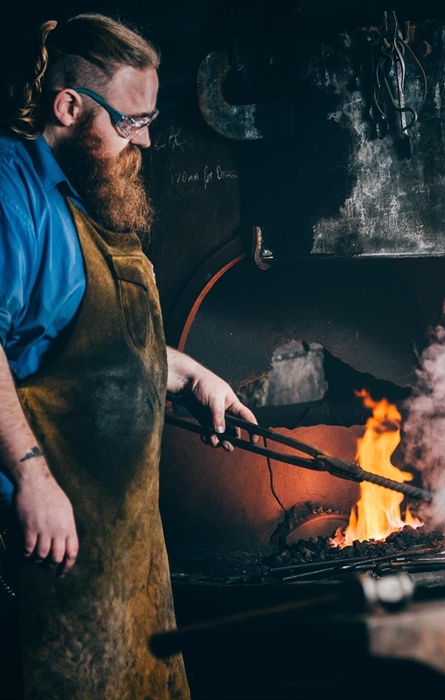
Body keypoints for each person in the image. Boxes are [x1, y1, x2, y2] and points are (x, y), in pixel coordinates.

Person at [0, 14, 256, 699]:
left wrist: (192, 374)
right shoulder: (9, 194)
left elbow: (88, 341)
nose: (142, 139)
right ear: (68, 106)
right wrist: (31, 479)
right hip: (36, 531)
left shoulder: (78, 192)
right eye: (128, 121)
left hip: (113, 532)